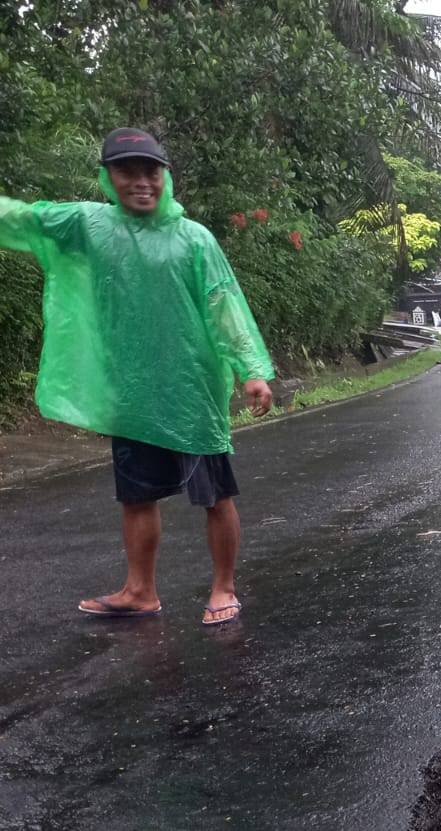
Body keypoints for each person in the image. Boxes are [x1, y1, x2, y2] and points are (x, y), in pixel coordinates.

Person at [0, 127, 275, 626]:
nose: (140, 182)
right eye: (127, 171)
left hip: (192, 393)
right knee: (136, 497)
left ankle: (223, 588)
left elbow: (224, 304)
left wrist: (250, 370)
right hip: (129, 390)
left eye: (150, 171)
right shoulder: (89, 224)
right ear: (108, 177)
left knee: (215, 496)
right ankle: (140, 591)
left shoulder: (194, 238)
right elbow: (23, 218)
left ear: (165, 177)